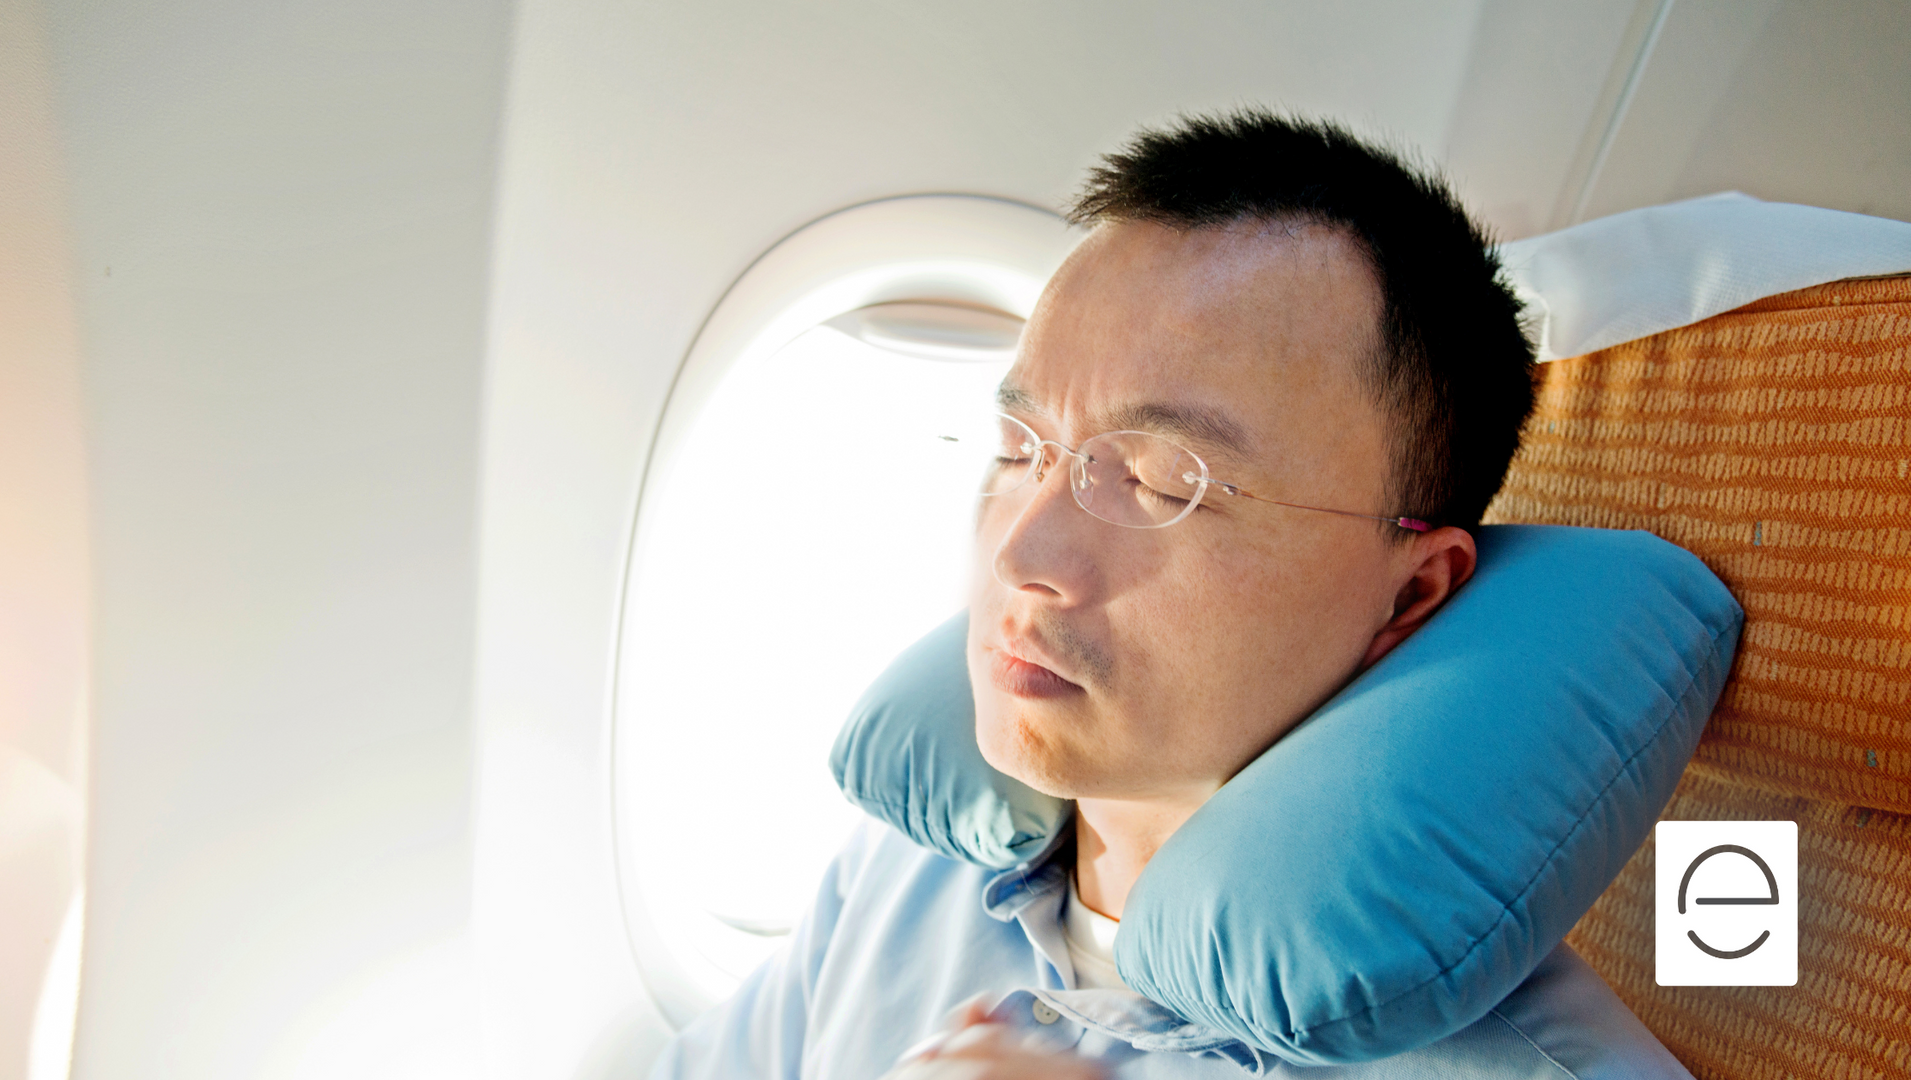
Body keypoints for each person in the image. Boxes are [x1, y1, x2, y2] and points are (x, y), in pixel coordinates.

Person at [651, 111, 1690, 1078]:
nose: (1021, 553)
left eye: (1156, 482)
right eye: (1020, 451)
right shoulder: (904, 872)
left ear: (1411, 594)